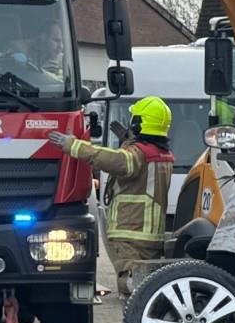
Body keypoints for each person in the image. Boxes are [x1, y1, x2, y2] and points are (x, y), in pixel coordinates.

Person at [49, 97, 174, 297]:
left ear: (138, 123)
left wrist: (73, 146)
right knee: (148, 279)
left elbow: (113, 160)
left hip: (131, 231)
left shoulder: (138, 154)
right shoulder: (162, 154)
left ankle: (139, 315)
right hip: (150, 233)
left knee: (131, 283)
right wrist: (128, 141)